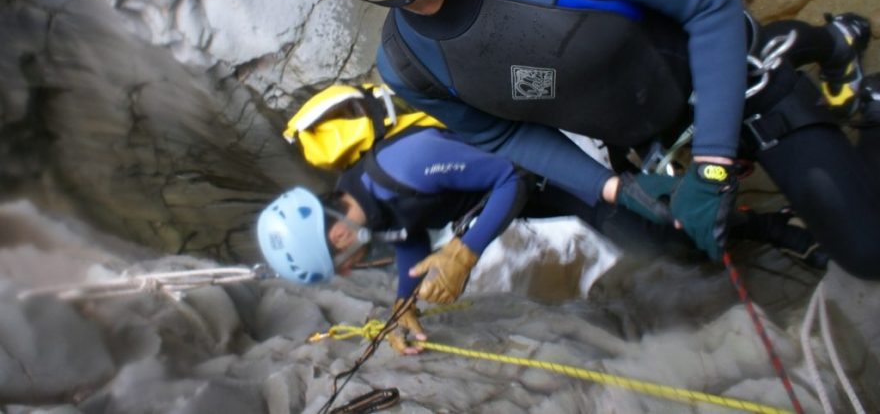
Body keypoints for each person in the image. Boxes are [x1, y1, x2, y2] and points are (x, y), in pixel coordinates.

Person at [256, 0, 880, 281]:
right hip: (649, 140)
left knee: (868, 253)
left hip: (736, 81)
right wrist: (616, 188)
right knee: (677, 249)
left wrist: (714, 166)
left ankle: (846, 77)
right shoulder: (410, 68)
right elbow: (507, 133)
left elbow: (711, 8)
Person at [258, 121, 828, 354]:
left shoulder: (406, 165)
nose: (356, 268)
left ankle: (764, 223)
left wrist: (465, 250)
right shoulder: (370, 209)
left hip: (542, 162)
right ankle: (710, 214)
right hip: (511, 191)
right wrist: (406, 299)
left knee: (664, 236)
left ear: (337, 230)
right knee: (658, 244)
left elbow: (512, 179)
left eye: (346, 263)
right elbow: (410, 235)